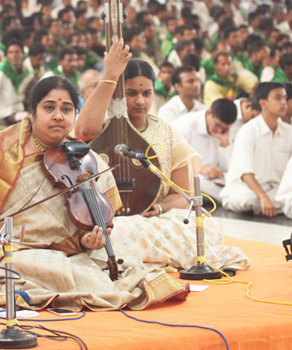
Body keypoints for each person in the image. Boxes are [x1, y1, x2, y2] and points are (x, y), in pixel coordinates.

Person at [0, 70, 189, 310]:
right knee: (32, 268)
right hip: (9, 248)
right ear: (33, 112)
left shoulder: (86, 158)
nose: (58, 116)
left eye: (66, 109)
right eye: (49, 108)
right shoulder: (6, 146)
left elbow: (100, 220)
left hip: (71, 250)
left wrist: (89, 240)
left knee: (124, 258)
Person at [74, 41, 249, 271]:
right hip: (111, 222)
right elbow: (82, 132)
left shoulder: (165, 131)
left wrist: (159, 209)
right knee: (118, 232)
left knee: (206, 226)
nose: (140, 101)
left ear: (155, 93)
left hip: (153, 221)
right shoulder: (103, 125)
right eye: (131, 93)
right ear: (119, 93)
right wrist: (110, 75)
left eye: (147, 93)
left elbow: (183, 195)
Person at [219, 82, 292, 217]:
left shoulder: (290, 133)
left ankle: (270, 206)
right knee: (249, 200)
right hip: (246, 189)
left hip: (275, 190)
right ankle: (269, 206)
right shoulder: (248, 131)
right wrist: (263, 197)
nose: (284, 102)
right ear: (263, 103)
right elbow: (246, 174)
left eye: (285, 98)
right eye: (278, 98)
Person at [172, 98, 237, 200]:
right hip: (191, 178)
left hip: (216, 180)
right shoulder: (184, 127)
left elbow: (228, 167)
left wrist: (225, 143)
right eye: (217, 125)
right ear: (209, 113)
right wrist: (200, 169)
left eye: (224, 128)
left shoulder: (225, 131)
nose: (220, 130)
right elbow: (173, 162)